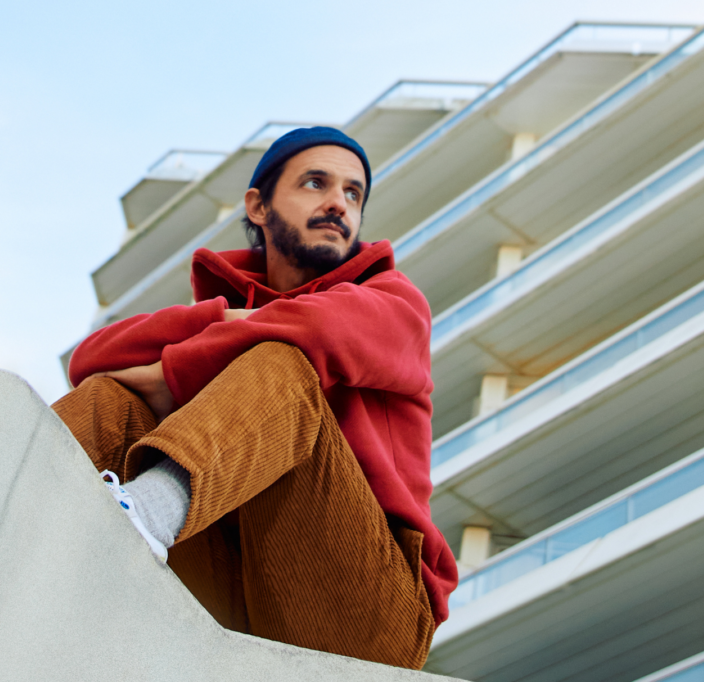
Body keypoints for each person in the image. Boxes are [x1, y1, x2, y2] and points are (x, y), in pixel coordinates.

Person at [52, 127, 457, 670]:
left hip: (369, 613)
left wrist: (175, 372)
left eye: (353, 193)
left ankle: (137, 517)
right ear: (258, 206)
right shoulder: (224, 316)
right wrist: (224, 320)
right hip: (234, 582)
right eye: (316, 183)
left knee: (282, 359)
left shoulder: (394, 301)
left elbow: (321, 330)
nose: (338, 203)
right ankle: (4, 509)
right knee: (111, 399)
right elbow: (92, 358)